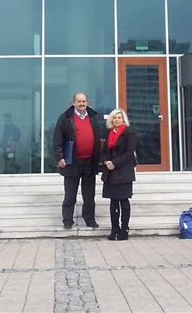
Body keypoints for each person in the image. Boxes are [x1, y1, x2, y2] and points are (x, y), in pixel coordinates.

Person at [52, 92, 101, 229]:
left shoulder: (93, 117)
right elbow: (57, 140)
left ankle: (90, 219)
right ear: (73, 103)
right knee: (70, 195)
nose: (82, 104)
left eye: (84, 101)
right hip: (72, 163)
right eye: (79, 101)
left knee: (89, 195)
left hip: (90, 163)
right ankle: (67, 221)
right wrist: (60, 157)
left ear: (87, 102)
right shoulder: (65, 118)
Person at [101, 108, 137, 241]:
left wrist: (114, 163)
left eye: (119, 117)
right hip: (110, 173)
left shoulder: (130, 133)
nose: (117, 120)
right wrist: (106, 161)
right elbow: (104, 151)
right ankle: (114, 229)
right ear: (111, 120)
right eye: (114, 118)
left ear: (123, 119)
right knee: (113, 202)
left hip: (123, 172)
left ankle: (124, 229)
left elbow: (129, 153)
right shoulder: (109, 133)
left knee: (124, 201)